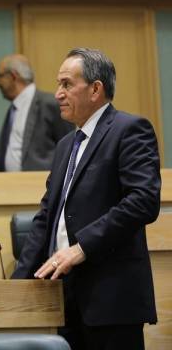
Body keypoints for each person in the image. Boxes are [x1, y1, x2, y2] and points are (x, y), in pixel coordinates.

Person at [12, 48, 160, 349]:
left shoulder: (130, 130)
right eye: (58, 84)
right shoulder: (66, 144)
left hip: (111, 300)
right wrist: (16, 285)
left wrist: (82, 247)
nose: (58, 94)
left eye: (67, 84)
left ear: (95, 89)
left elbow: (143, 201)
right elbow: (47, 215)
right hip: (63, 299)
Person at [0, 54, 73, 171]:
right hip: (8, 181)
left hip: (42, 181)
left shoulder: (51, 104)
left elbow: (69, 148)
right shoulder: (13, 108)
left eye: (0, 76)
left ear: (13, 76)